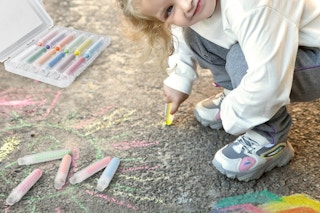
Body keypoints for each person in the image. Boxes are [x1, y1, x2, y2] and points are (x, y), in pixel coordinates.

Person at [117, 0, 320, 181]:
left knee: (241, 61)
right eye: (169, 9)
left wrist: (231, 114)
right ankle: (239, 95)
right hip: (281, 46)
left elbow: (267, 82)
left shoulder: (251, 5)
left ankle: (270, 137)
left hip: (314, 55)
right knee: (193, 31)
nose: (186, 4)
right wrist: (179, 78)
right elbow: (179, 32)